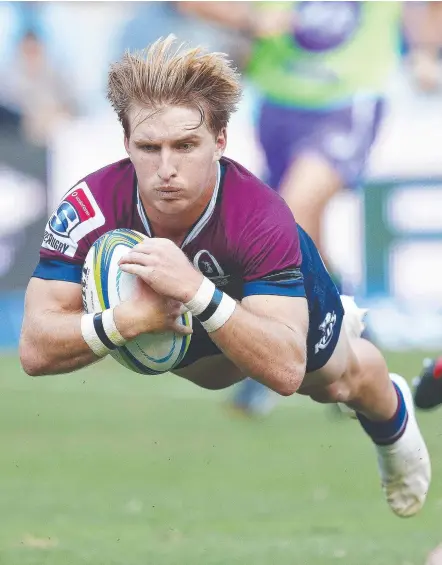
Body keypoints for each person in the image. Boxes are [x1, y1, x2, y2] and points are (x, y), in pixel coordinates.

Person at [19, 36, 430, 518]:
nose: (166, 169)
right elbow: (34, 347)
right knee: (216, 376)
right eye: (148, 147)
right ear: (125, 142)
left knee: (335, 382)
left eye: (185, 145)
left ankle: (394, 417)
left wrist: (196, 292)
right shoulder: (89, 209)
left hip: (263, 316)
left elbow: (284, 372)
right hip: (192, 350)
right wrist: (131, 318)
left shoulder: (259, 215)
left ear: (220, 141)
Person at [178, 1, 402, 415]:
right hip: (278, 104)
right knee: (306, 237)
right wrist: (249, 19)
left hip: (347, 100)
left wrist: (424, 49)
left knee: (291, 213)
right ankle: (352, 341)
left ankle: (271, 362)